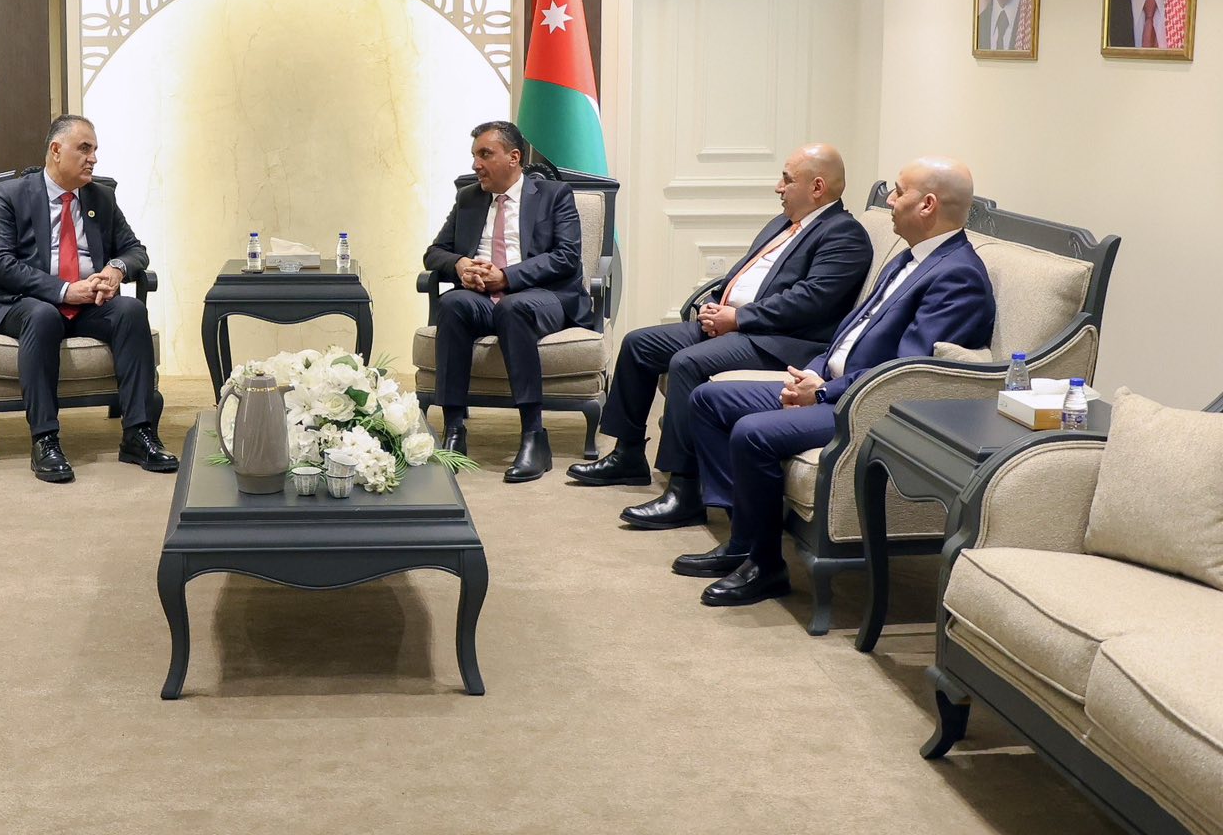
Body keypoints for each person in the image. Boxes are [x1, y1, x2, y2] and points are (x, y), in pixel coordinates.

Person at [673, 158, 996, 607]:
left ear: (927, 205)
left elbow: (906, 372)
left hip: (868, 406)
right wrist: (816, 370)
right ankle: (743, 542)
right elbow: (853, 330)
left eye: (898, 191)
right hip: (832, 383)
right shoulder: (910, 256)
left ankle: (766, 568)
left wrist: (824, 392)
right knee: (708, 400)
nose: (889, 200)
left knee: (752, 433)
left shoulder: (957, 276)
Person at [569, 144, 872, 529]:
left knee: (686, 363)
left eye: (787, 179)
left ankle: (686, 490)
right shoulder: (783, 223)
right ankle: (628, 455)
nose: (778, 187)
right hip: (739, 324)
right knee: (639, 343)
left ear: (817, 187)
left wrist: (739, 318)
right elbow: (741, 275)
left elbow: (811, 301)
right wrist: (714, 305)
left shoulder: (844, 234)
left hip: (781, 342)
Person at [0, 114, 176, 483]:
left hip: (87, 304)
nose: (93, 158)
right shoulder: (10, 195)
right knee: (43, 316)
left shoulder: (101, 197)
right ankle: (45, 440)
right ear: (56, 150)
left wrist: (115, 270)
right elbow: (1, 265)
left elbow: (135, 250)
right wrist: (65, 290)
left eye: (95, 150)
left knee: (131, 310)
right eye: (84, 149)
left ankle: (138, 434)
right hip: (25, 302)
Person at [422, 120, 593, 482]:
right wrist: (461, 264)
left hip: (542, 296)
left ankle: (534, 436)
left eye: (485, 154)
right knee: (453, 304)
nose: (476, 164)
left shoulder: (554, 195)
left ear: (514, 157)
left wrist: (507, 276)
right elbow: (434, 252)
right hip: (483, 298)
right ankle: (454, 431)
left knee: (515, 309)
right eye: (474, 155)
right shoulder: (469, 198)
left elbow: (566, 257)